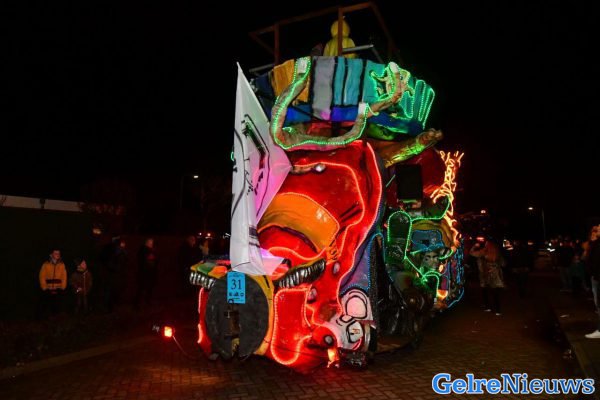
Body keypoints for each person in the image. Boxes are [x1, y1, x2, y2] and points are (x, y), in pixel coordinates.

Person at [471, 239, 506, 316]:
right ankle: (498, 310)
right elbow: (503, 264)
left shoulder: (484, 251)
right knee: (495, 292)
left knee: (485, 290)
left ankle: (488, 307)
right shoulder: (497, 252)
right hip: (496, 274)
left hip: (486, 273)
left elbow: (472, 253)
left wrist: (474, 246)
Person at [38, 248, 68, 318]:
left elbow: (64, 276)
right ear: (51, 255)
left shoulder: (62, 264)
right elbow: (42, 276)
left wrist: (63, 287)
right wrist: (44, 287)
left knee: (57, 305)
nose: (58, 255)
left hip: (58, 288)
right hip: (48, 288)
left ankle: (57, 317)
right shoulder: (45, 264)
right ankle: (46, 317)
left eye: (58, 253)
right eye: (56, 253)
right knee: (47, 304)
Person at [101, 237, 127, 312]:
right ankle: (107, 307)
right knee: (109, 290)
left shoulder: (121, 251)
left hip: (117, 274)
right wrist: (114, 267)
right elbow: (108, 262)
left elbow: (124, 261)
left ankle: (111, 306)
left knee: (114, 290)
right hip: (111, 273)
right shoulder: (112, 250)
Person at [134, 238, 158, 309]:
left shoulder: (152, 250)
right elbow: (142, 261)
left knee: (149, 288)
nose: (151, 244)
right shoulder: (143, 250)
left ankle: (147, 301)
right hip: (144, 273)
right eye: (150, 242)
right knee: (141, 288)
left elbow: (155, 260)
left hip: (150, 272)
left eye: (152, 243)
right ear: (146, 243)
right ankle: (137, 303)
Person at [585, 226, 600, 338]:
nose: (598, 228)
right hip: (596, 276)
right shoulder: (594, 244)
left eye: (599, 228)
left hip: (598, 276)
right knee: (598, 303)